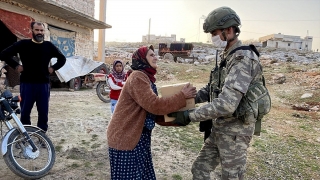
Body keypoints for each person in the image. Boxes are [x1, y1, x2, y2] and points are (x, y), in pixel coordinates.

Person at [168, 7, 270, 179]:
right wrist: (186, 97)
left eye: (214, 33)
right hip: (220, 128)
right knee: (199, 169)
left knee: (231, 176)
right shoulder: (228, 56)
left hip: (235, 133)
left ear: (229, 30)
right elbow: (211, 89)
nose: (212, 38)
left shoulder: (243, 58)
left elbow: (227, 104)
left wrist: (188, 115)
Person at [106, 45, 197, 179]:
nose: (156, 57)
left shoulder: (145, 78)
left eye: (155, 54)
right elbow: (155, 105)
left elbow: (150, 112)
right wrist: (182, 96)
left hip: (137, 138)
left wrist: (177, 119)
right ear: (142, 59)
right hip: (125, 138)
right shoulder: (138, 77)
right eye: (151, 55)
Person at [0, 22, 66, 133]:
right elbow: (3, 54)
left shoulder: (48, 46)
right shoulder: (23, 44)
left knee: (43, 112)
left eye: (41, 30)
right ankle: (25, 136)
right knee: (25, 112)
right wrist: (16, 66)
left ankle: (42, 136)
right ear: (32, 31)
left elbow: (62, 59)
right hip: (27, 84)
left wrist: (53, 68)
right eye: (37, 30)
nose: (39, 32)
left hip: (43, 85)